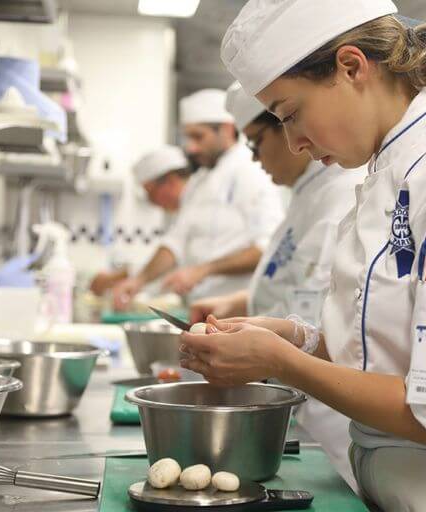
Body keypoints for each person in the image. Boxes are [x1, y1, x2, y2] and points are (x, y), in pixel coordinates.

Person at [179, 1, 426, 510]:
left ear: (351, 67)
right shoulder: (389, 179)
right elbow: (390, 354)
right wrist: (295, 338)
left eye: (291, 114)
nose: (294, 142)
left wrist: (281, 363)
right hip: (401, 489)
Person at [190, 81, 365, 488]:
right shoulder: (306, 195)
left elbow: (330, 319)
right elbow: (297, 286)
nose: (254, 159)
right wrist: (239, 305)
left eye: (255, 143)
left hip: (333, 419)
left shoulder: (339, 194)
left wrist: (275, 353)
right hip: (304, 402)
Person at [112, 89, 284, 307]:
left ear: (227, 130)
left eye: (198, 136)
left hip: (238, 313)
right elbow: (176, 242)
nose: (191, 147)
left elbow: (266, 248)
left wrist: (203, 270)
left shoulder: (251, 171)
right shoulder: (199, 181)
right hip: (200, 308)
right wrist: (138, 280)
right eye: (188, 137)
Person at [90, 145, 190, 296]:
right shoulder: (182, 212)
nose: (152, 201)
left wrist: (123, 277)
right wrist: (127, 277)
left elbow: (174, 255)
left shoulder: (198, 206)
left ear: (170, 180)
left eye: (151, 192)